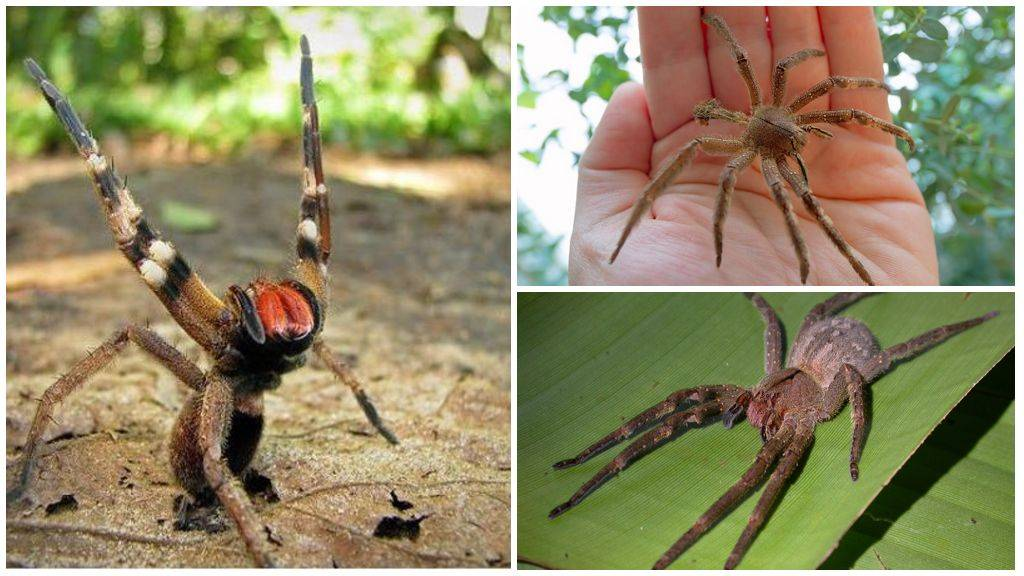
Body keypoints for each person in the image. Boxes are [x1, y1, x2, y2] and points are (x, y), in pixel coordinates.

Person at [569, 6, 938, 285]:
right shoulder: (753, 153)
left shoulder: (794, 112)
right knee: (790, 197)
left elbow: (833, 87)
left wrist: (877, 99)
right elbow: (733, 175)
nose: (800, 143)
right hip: (755, 136)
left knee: (834, 104)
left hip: (775, 118)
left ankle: (823, 261)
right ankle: (809, 259)